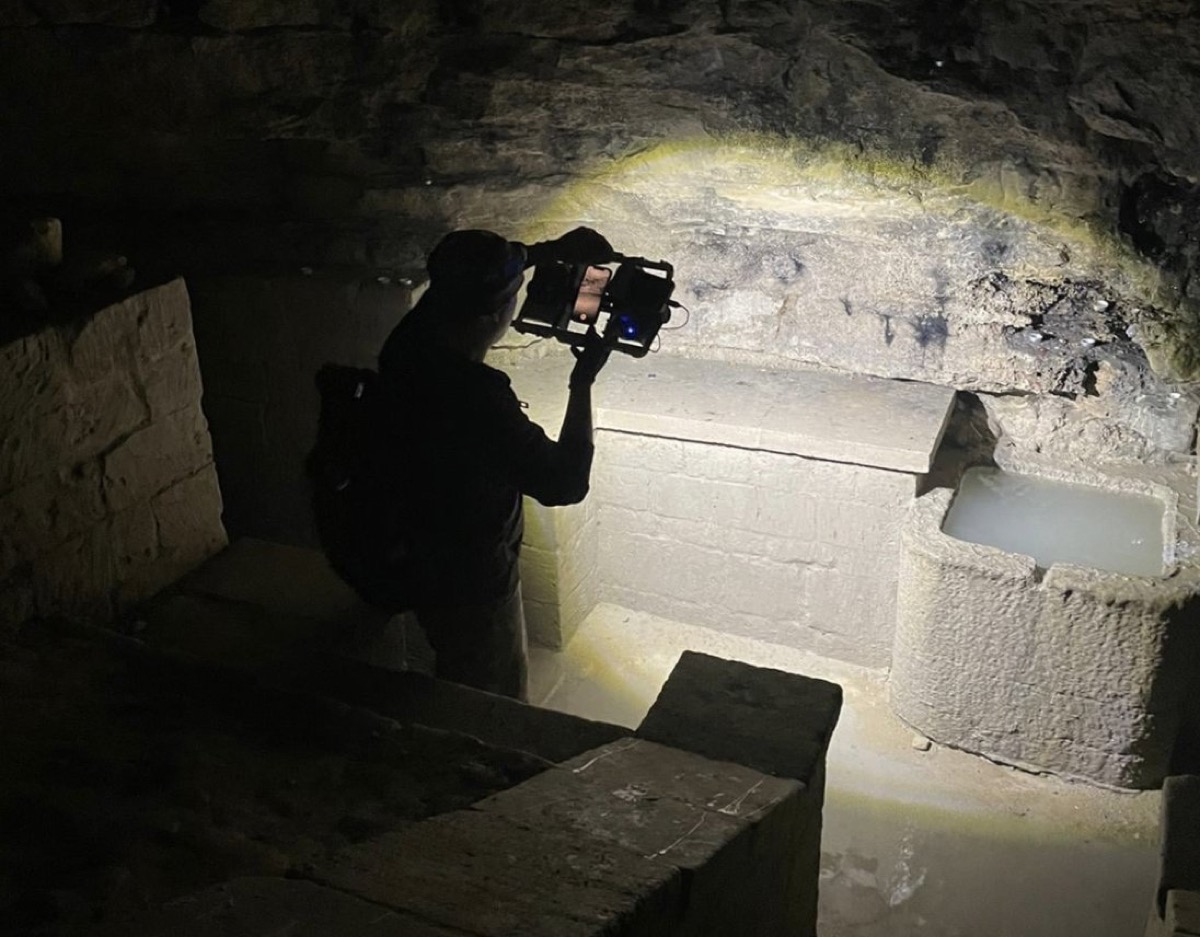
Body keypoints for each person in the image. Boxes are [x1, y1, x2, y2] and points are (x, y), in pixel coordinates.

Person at [375, 227, 615, 701]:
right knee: (490, 698)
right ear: (496, 313)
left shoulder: (408, 346)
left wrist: (546, 252)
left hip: (409, 547)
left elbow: (478, 274)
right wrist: (582, 382)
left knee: (432, 668)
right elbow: (564, 482)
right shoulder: (476, 399)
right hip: (471, 579)